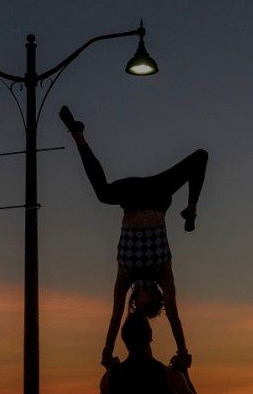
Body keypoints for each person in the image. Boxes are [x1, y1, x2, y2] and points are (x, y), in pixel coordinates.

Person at [60, 105, 208, 370]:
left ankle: (78, 136)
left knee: (104, 193)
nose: (146, 308)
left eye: (142, 309)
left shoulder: (126, 275)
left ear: (136, 302)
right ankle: (192, 208)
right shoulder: (164, 272)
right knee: (200, 157)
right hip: (156, 194)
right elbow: (173, 314)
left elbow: (115, 316)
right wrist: (183, 352)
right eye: (153, 309)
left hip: (130, 196)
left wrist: (106, 353)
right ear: (159, 299)